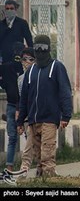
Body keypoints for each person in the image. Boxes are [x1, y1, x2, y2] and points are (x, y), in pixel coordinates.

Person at [17, 35, 73, 177]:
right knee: (38, 155)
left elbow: (65, 92)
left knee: (47, 154)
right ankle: (41, 179)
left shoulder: (57, 67)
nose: (40, 52)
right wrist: (20, 121)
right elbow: (24, 98)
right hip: (33, 120)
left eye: (43, 48)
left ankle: (51, 179)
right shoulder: (31, 71)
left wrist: (66, 115)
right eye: (37, 49)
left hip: (49, 119)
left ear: (48, 49)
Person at [0, 43, 24, 171]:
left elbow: (2, 82)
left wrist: (6, 85)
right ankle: (30, 165)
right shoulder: (27, 68)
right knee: (28, 137)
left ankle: (10, 166)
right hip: (20, 106)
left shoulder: (6, 67)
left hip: (12, 105)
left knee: (12, 138)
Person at [0, 0, 33, 75]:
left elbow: (29, 40)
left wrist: (31, 56)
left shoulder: (22, 23)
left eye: (11, 8)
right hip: (4, 59)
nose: (9, 11)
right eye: (7, 9)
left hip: (18, 57)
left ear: (15, 10)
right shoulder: (1, 24)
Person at [17, 47, 36, 173]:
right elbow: (22, 100)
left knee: (33, 143)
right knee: (31, 141)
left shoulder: (39, 74)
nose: (27, 62)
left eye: (30, 59)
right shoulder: (20, 79)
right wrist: (20, 119)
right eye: (24, 59)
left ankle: (25, 167)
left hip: (39, 114)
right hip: (27, 115)